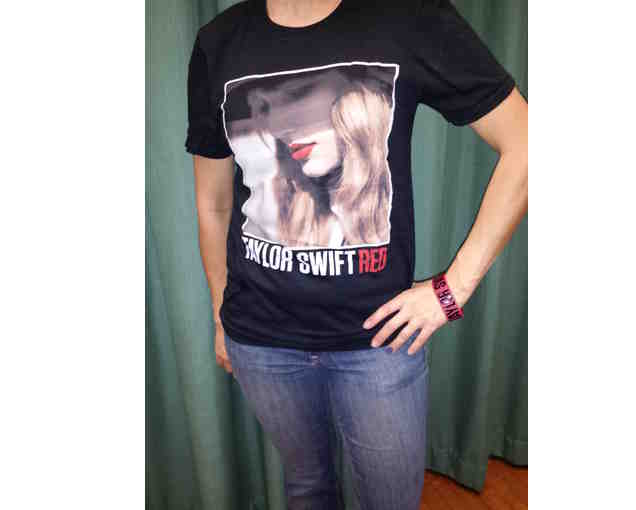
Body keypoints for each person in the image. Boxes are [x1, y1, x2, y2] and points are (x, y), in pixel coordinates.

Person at [185, 1, 528, 509]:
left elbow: (526, 143)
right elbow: (213, 202)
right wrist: (221, 314)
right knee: (307, 488)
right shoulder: (220, 41)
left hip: (379, 343)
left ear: (354, 119)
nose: (292, 129)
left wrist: (451, 291)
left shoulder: (407, 16)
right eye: (276, 115)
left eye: (316, 109)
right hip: (260, 339)